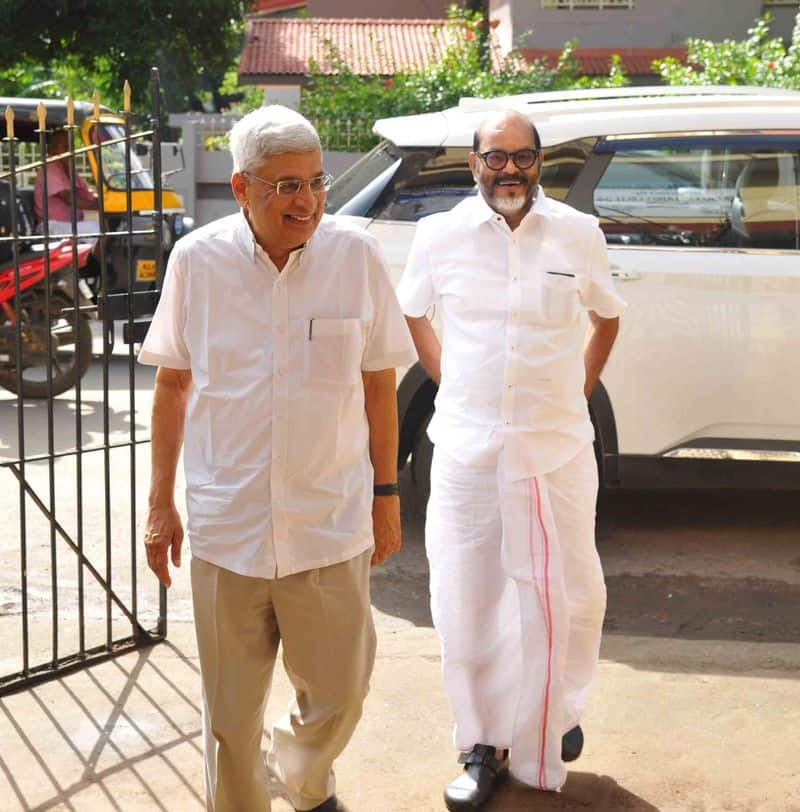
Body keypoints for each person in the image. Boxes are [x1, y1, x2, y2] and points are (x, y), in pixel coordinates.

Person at [138, 105, 416, 812]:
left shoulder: (356, 257)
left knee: (342, 694)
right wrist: (159, 504)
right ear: (242, 189)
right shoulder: (196, 262)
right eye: (286, 185)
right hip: (228, 531)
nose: (308, 201)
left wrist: (387, 495)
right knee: (229, 722)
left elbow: (378, 382)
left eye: (317, 182)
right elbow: (172, 385)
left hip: (329, 522)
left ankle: (300, 775)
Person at [397, 109, 626, 810]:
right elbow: (414, 312)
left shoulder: (578, 234)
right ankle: (482, 744)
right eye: (494, 158)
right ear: (474, 164)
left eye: (521, 157)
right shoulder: (438, 237)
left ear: (539, 162)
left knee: (572, 596)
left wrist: (576, 389)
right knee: (467, 601)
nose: (509, 171)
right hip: (468, 449)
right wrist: (449, 379)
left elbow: (607, 316)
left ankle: (555, 715)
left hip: (556, 447)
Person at [33, 129, 98, 237]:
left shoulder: (68, 168)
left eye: (71, 146)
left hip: (69, 224)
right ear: (51, 149)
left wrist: (107, 201)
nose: (70, 150)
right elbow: (69, 198)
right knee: (94, 228)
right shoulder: (49, 168)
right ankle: (97, 255)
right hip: (52, 225)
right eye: (65, 146)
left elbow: (86, 194)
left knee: (103, 225)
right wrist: (99, 206)